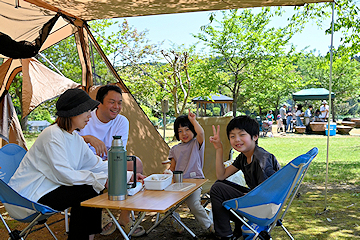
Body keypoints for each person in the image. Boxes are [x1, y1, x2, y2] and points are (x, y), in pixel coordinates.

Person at [9, 88, 107, 240]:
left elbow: (96, 164)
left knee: (90, 188)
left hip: (51, 188)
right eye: (86, 111)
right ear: (73, 112)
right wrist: (99, 179)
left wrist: (126, 173)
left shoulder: (74, 137)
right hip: (29, 196)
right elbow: (64, 175)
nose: (90, 115)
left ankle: (86, 237)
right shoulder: (52, 134)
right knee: (88, 189)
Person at [78, 85, 145, 236]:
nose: (116, 107)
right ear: (99, 103)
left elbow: (118, 153)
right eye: (112, 102)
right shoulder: (86, 118)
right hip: (86, 164)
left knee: (136, 163)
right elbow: (69, 139)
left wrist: (108, 159)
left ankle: (124, 217)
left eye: (120, 103)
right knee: (89, 170)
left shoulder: (122, 121)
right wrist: (88, 139)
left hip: (109, 161)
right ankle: (98, 211)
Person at [209, 116, 280, 240]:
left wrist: (244, 196)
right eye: (232, 136)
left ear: (255, 136)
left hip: (264, 208)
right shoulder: (244, 157)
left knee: (217, 189)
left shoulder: (261, 159)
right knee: (219, 184)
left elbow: (266, 195)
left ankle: (225, 235)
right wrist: (219, 149)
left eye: (242, 135)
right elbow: (221, 175)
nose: (237, 140)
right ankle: (236, 230)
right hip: (257, 200)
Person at [166, 110, 213, 233]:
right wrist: (166, 174)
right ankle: (176, 221)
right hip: (178, 183)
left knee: (194, 205)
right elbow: (172, 168)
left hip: (195, 182)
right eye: (180, 131)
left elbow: (201, 132)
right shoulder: (174, 149)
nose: (184, 133)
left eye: (187, 129)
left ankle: (209, 226)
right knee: (165, 204)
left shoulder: (196, 144)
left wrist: (193, 120)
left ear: (193, 130)